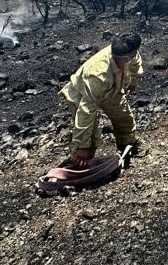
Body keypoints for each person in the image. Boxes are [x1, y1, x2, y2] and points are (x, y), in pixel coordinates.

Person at [60, 33, 144, 167]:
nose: (136, 54)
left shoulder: (127, 52)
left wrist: (133, 80)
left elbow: (135, 63)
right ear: (126, 57)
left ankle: (127, 146)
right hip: (81, 93)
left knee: (123, 117)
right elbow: (86, 110)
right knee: (90, 136)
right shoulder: (99, 75)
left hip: (111, 88)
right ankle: (76, 163)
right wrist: (83, 146)